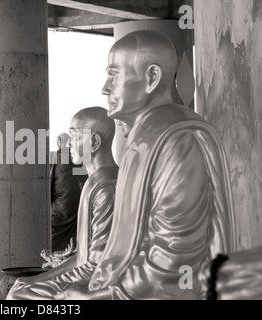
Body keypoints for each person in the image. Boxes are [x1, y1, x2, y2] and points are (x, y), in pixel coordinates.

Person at [55, 30, 236, 300]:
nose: (105, 88)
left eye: (113, 75)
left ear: (151, 78)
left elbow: (178, 260)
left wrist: (108, 294)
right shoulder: (149, 135)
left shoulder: (177, 138)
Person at [7, 107, 119, 300]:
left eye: (74, 136)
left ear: (93, 142)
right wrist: (39, 279)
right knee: (21, 286)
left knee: (19, 295)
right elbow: (84, 256)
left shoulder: (106, 187)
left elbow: (98, 265)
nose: (69, 143)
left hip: (101, 281)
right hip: (87, 268)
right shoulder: (96, 179)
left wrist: (38, 282)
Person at [50, 133, 87, 252]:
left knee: (53, 244)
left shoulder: (57, 158)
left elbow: (51, 185)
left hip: (59, 211)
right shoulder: (80, 159)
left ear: (59, 142)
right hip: (75, 209)